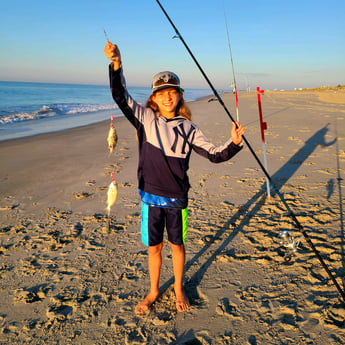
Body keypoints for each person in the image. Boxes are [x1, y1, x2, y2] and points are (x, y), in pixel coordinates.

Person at [104, 41, 245, 314]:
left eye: (172, 92)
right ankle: (154, 290)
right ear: (154, 98)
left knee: (177, 246)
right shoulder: (144, 119)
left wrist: (235, 142)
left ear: (179, 96)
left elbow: (215, 154)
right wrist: (116, 64)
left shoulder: (190, 128)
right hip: (150, 198)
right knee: (154, 248)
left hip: (177, 199)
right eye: (162, 93)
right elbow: (120, 95)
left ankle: (179, 286)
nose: (167, 97)